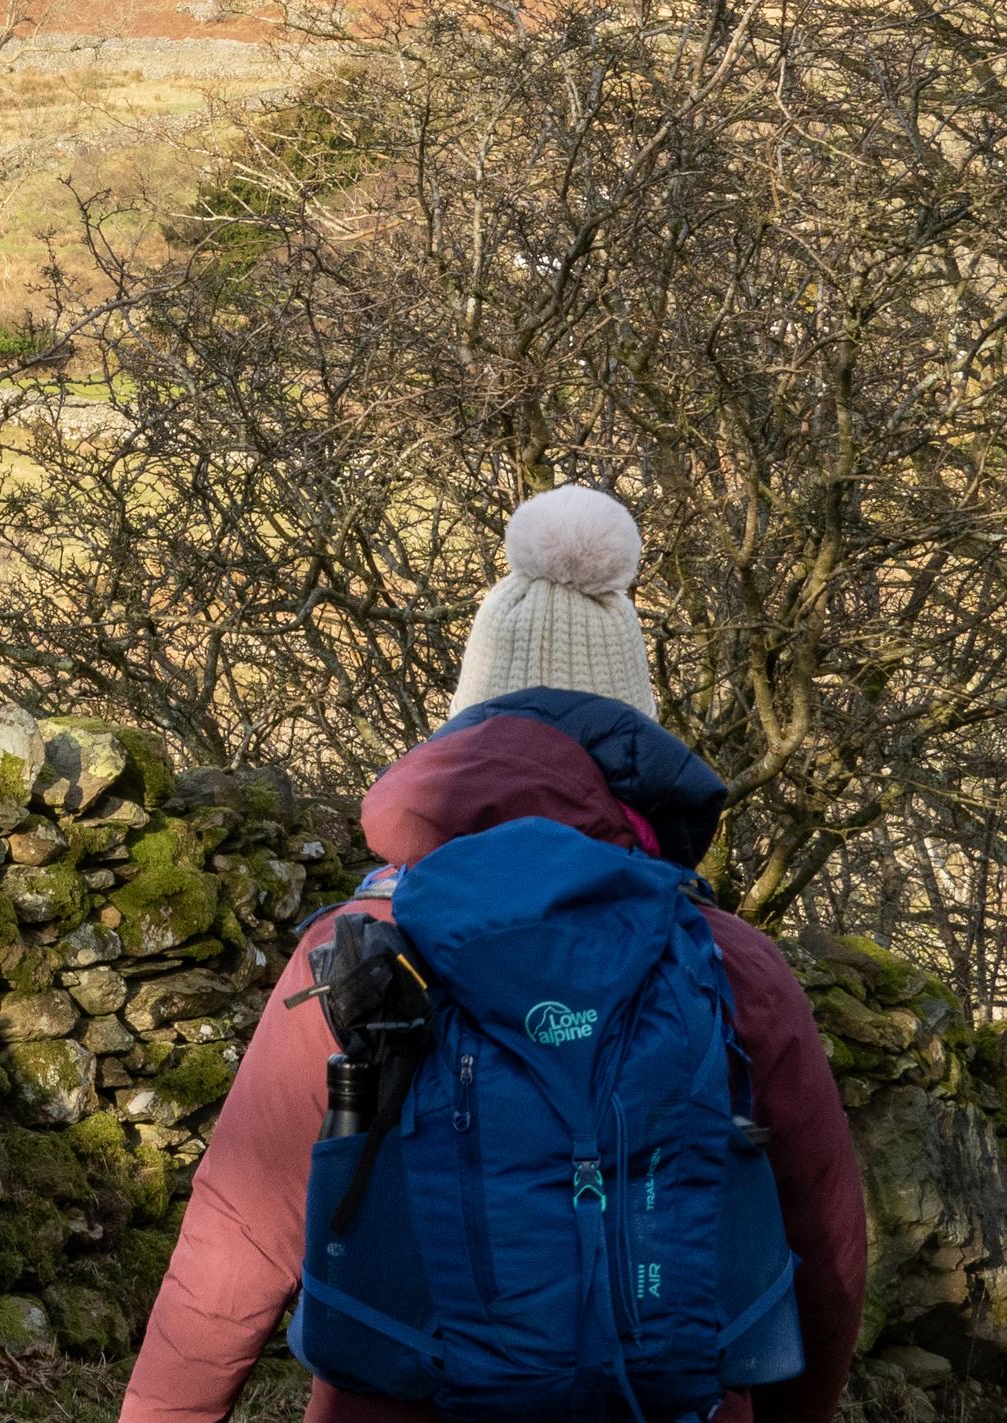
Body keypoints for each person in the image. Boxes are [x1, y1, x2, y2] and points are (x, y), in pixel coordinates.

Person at [122, 485, 869, 1423]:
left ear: (461, 726)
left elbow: (234, 1240)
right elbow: (825, 1251)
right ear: (638, 738)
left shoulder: (358, 950)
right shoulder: (726, 961)